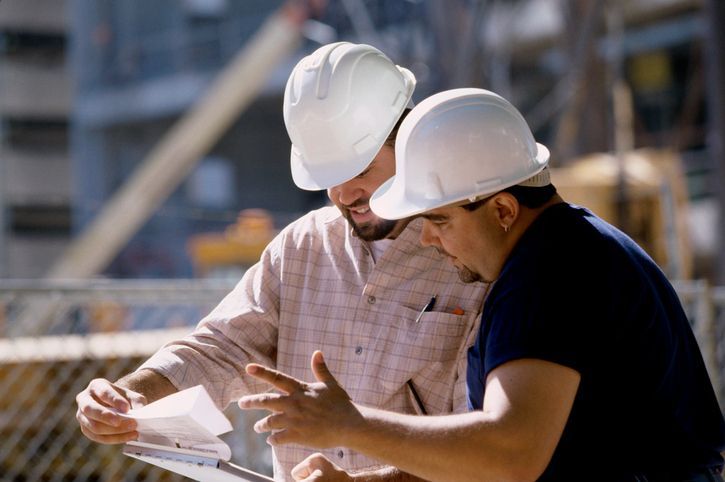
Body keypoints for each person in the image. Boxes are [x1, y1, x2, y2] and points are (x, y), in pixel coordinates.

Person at [238, 88, 725, 481]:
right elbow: (478, 463)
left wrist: (352, 426)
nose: (427, 238)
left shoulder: (548, 276)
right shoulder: (566, 253)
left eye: (440, 220)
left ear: (503, 210)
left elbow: (508, 455)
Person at [74, 45, 488, 480]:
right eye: (330, 178)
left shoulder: (470, 260)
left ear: (408, 142)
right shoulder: (301, 248)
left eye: (361, 170)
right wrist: (128, 396)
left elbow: (480, 448)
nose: (345, 195)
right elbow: (219, 350)